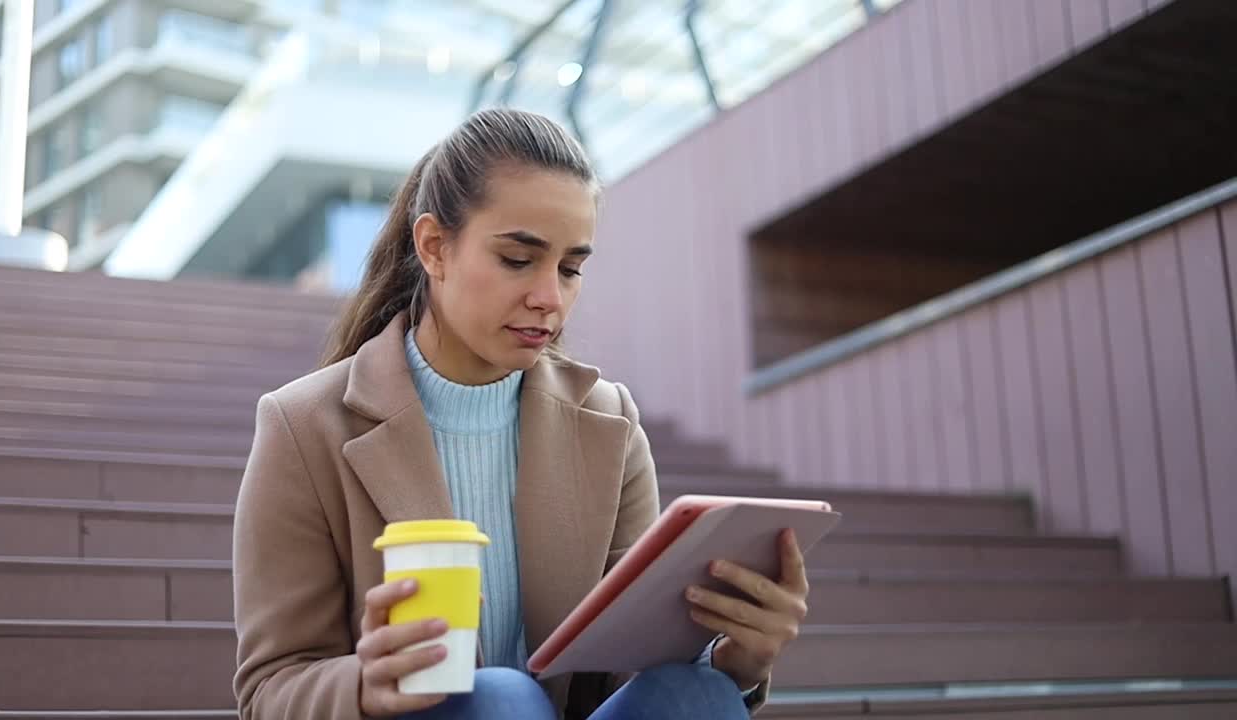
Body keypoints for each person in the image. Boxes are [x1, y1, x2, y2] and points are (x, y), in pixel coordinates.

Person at [232, 108, 811, 720]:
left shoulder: (608, 422)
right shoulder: (303, 427)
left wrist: (737, 660)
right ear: (433, 246)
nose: (549, 298)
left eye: (570, 269)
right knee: (500, 696)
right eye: (518, 259)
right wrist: (364, 684)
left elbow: (633, 666)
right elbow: (272, 685)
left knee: (698, 692)